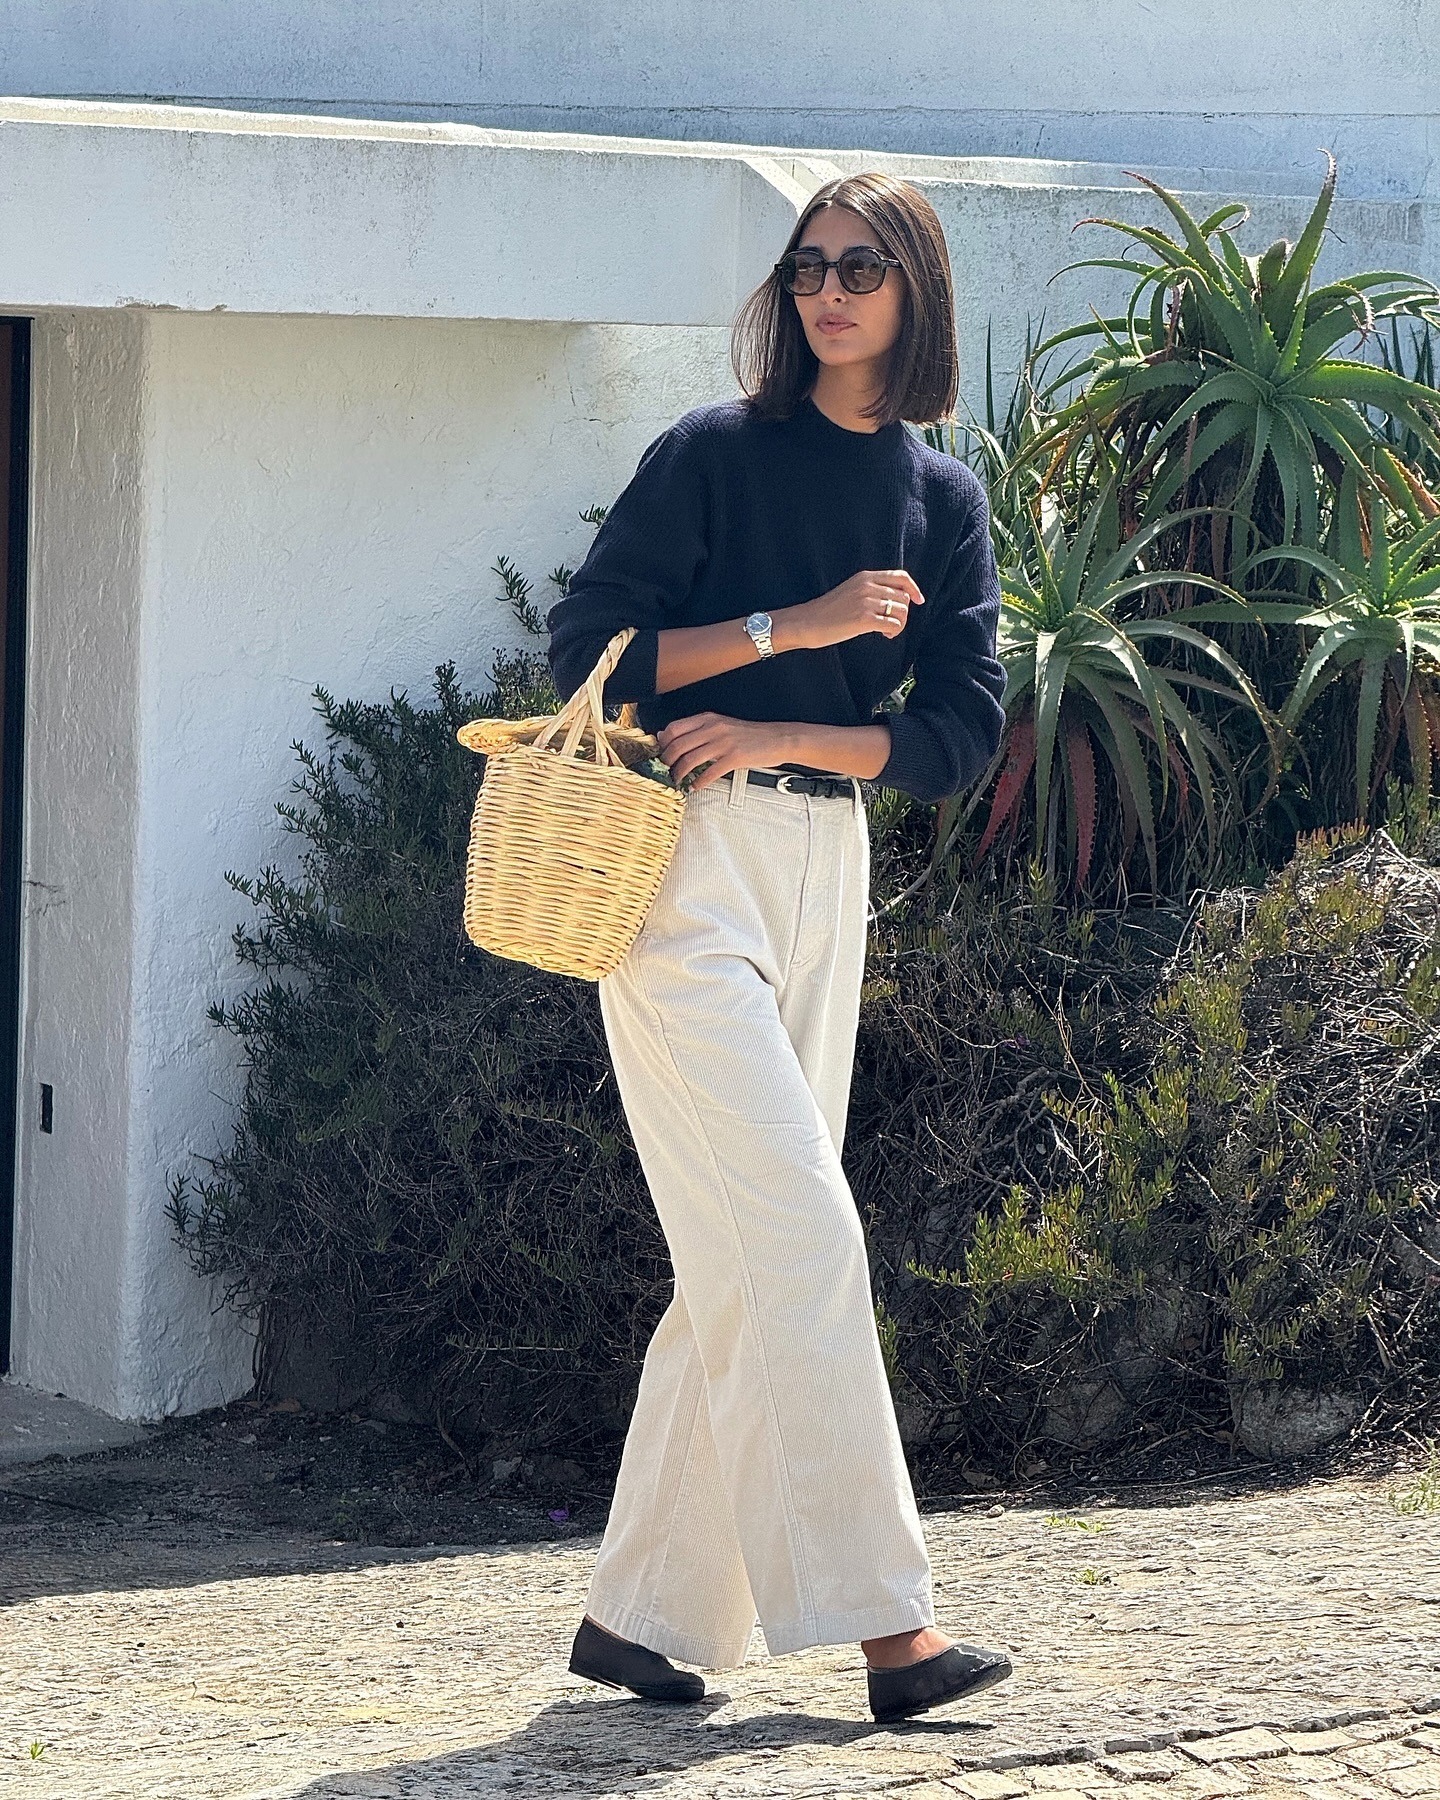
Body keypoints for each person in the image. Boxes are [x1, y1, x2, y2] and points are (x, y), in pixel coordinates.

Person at [544, 172, 1011, 1724]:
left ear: (914, 293)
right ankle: (894, 1634)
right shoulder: (711, 456)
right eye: (809, 264)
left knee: (749, 1246)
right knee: (800, 1232)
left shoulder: (943, 502)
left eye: (863, 267)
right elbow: (590, 662)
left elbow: (959, 732)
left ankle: (642, 1615)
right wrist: (788, 633)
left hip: (829, 863)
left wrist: (805, 729)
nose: (830, 289)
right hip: (682, 867)